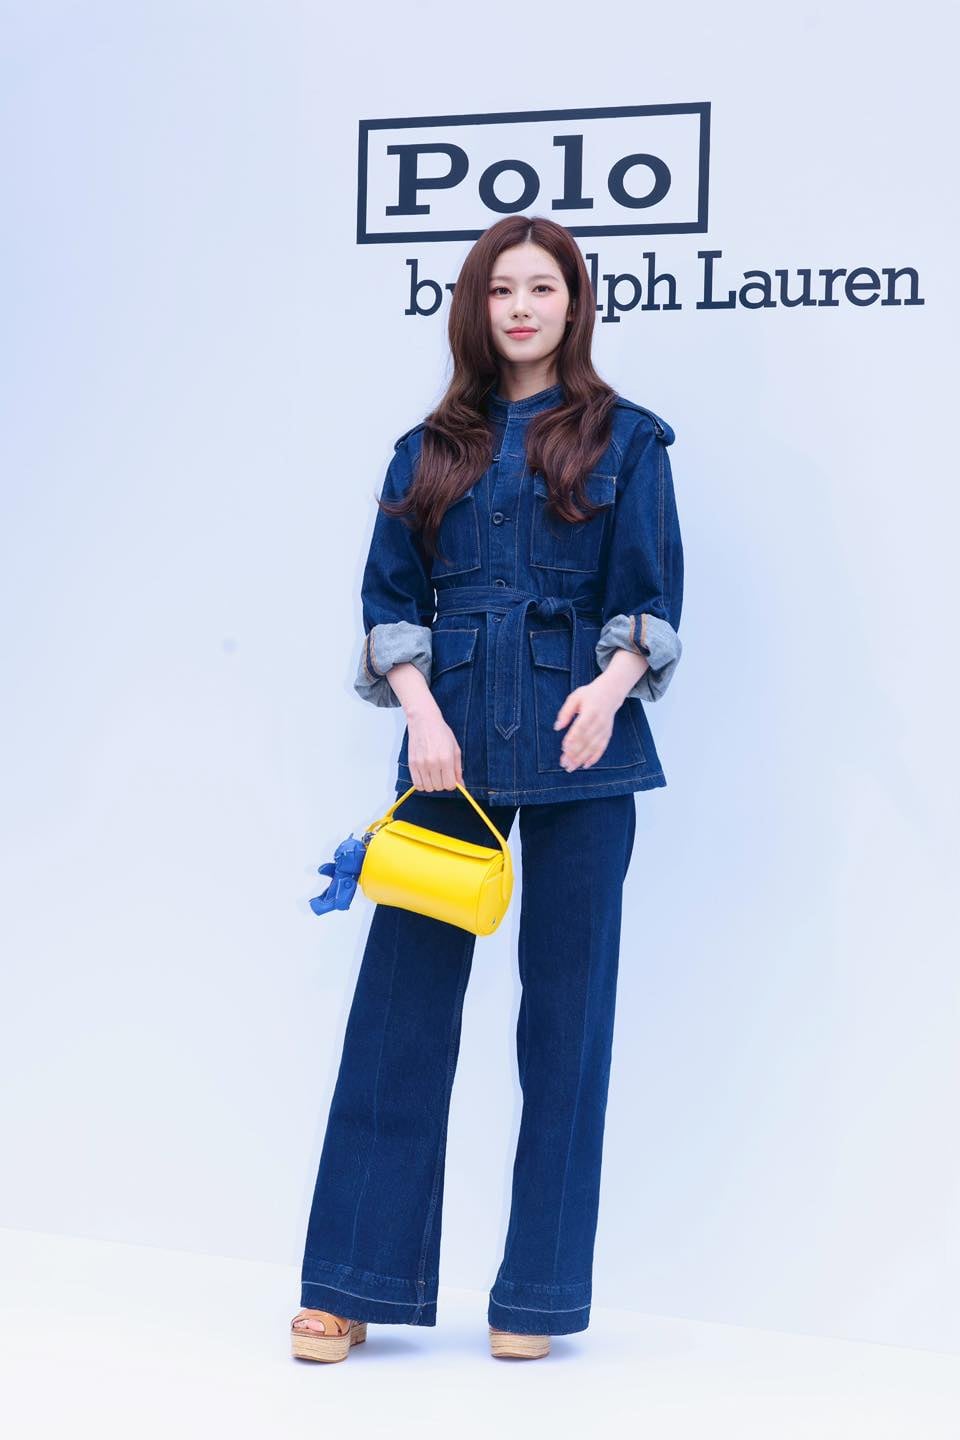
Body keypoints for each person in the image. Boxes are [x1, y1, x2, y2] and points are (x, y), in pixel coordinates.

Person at [291, 214, 685, 1363]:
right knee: (399, 1015)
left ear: (574, 304)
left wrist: (611, 689)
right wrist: (420, 716)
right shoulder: (427, 449)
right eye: (501, 288)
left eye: (542, 288)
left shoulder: (629, 440)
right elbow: (389, 601)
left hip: (583, 749)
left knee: (568, 1025)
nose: (521, 306)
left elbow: (650, 594)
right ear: (475, 306)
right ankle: (349, 1286)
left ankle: (537, 1298)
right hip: (448, 752)